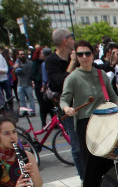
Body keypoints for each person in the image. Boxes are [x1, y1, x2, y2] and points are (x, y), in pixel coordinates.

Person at [60, 41, 118, 187]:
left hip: (104, 120)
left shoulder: (101, 74)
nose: (84, 57)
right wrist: (67, 108)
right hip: (85, 123)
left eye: (87, 53)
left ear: (92, 54)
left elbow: (113, 96)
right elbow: (64, 98)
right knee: (90, 160)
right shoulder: (73, 77)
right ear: (76, 56)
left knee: (107, 157)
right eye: (80, 54)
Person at [46, 28, 84, 178]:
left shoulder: (77, 56)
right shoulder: (51, 61)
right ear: (64, 41)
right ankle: (83, 178)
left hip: (84, 104)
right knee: (77, 146)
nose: (73, 41)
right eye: (71, 38)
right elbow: (62, 82)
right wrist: (73, 62)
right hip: (68, 107)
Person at [14, 49, 36, 116]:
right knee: (21, 99)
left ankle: (32, 111)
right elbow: (14, 71)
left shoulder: (30, 63)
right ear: (18, 56)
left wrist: (33, 81)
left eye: (23, 54)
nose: (22, 55)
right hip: (20, 84)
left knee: (31, 98)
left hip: (28, 83)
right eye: (21, 54)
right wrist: (15, 68)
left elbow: (32, 73)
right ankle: (24, 112)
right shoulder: (17, 64)